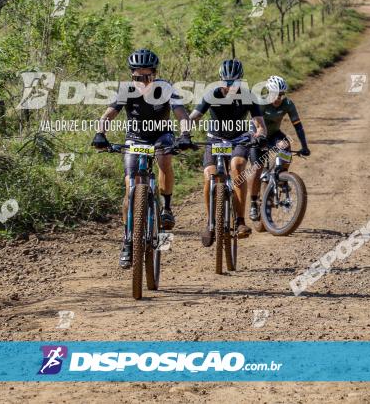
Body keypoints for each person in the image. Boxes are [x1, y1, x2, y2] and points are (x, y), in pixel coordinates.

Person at [91, 48, 193, 268]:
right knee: (130, 189)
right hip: (135, 138)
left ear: (155, 74)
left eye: (147, 76)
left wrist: (185, 134)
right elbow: (109, 113)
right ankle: (128, 242)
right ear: (131, 75)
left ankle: (166, 208)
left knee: (165, 160)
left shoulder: (166, 88)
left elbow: (181, 114)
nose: (142, 81)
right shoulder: (126, 90)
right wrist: (100, 133)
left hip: (161, 135)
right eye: (138, 77)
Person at [188, 59, 267, 244]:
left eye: (235, 82)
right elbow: (194, 116)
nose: (230, 86)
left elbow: (259, 123)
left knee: (237, 166)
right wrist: (184, 132)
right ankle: (210, 222)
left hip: (239, 139)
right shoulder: (211, 95)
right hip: (215, 139)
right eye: (227, 82)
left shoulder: (248, 96)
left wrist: (260, 134)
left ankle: (240, 221)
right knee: (209, 175)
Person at [247, 75, 310, 222]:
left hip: (274, 134)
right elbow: (252, 124)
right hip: (257, 135)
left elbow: (298, 126)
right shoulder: (261, 103)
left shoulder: (288, 104)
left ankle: (282, 176)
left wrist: (304, 146)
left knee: (286, 145)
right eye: (276, 94)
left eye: (282, 94)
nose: (279, 98)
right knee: (257, 168)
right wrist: (255, 139)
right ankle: (253, 204)